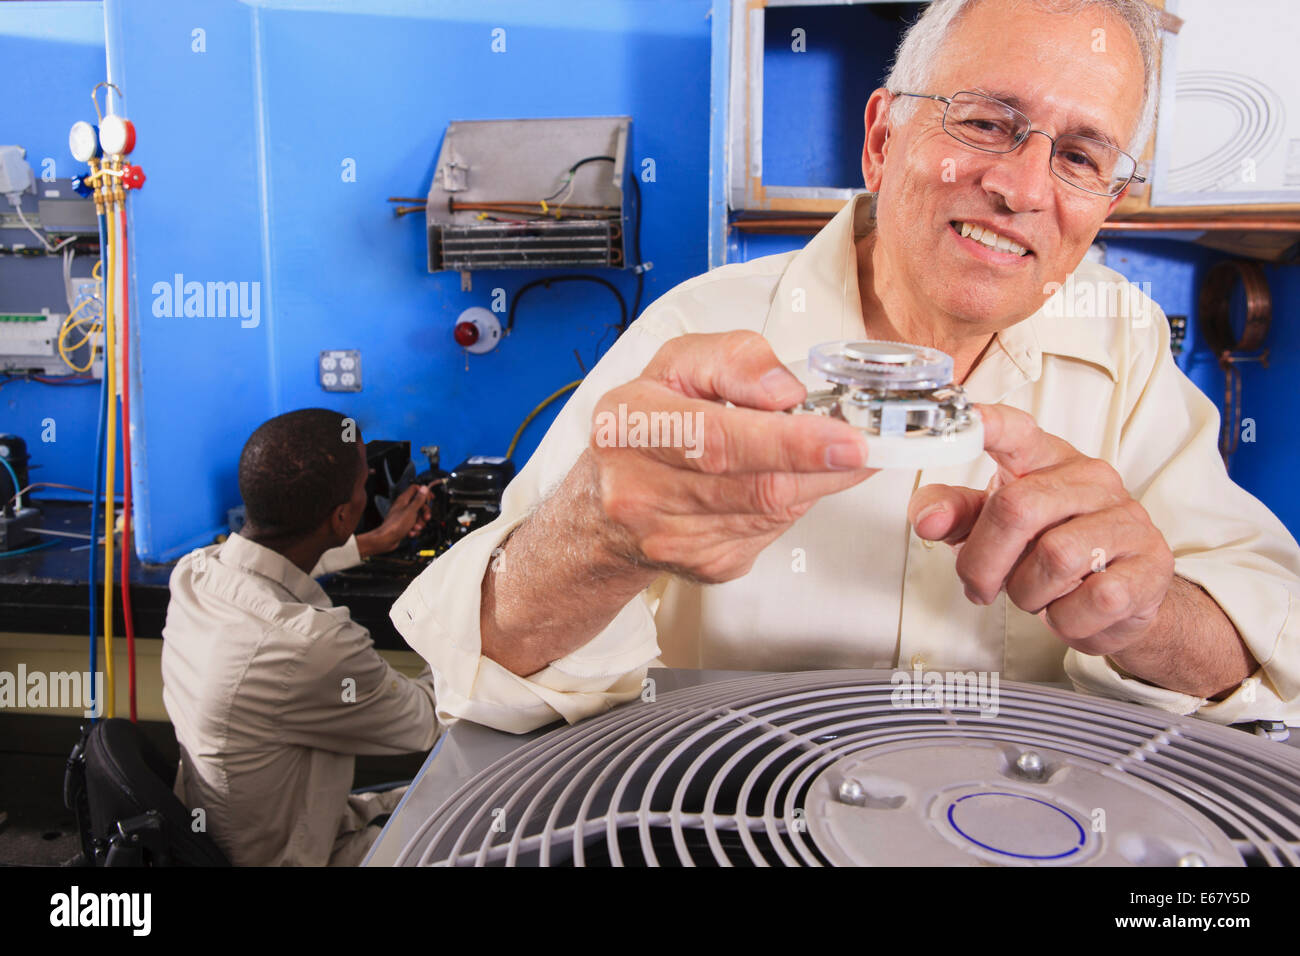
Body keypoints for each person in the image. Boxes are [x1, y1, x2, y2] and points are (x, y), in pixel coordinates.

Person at [391, 0, 1300, 734]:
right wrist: (597, 537)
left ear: (1105, 202)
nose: (1024, 189)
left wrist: (1150, 617)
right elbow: (483, 672)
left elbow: (1267, 647)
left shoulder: (1125, 342)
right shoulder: (700, 330)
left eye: (1079, 156)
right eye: (986, 122)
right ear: (881, 141)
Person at [162, 408, 440, 865]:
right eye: (361, 481)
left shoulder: (193, 574)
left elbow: (265, 565)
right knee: (499, 835)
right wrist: (472, 607)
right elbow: (427, 719)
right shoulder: (311, 645)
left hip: (235, 829)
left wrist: (373, 541)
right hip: (294, 855)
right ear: (341, 516)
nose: (369, 477)